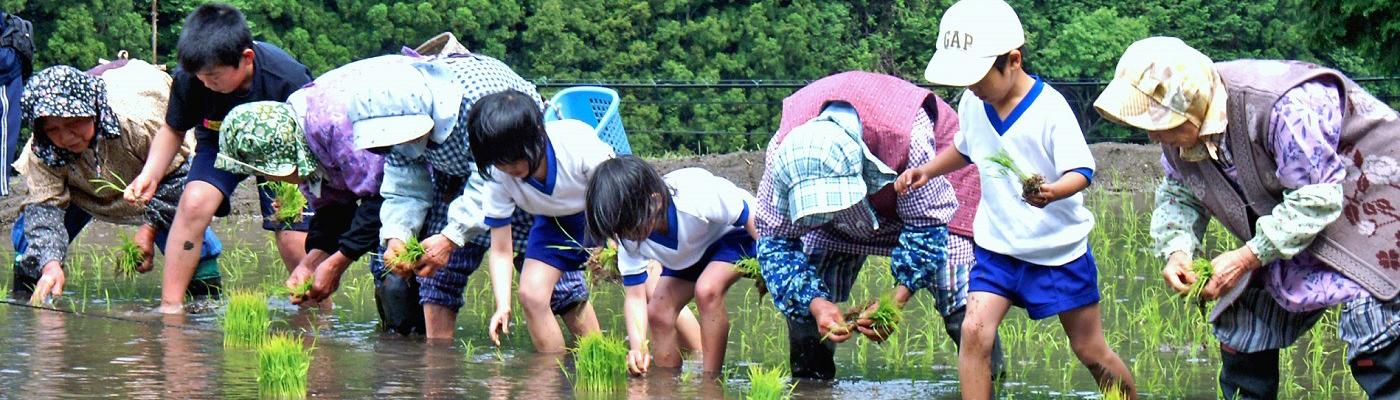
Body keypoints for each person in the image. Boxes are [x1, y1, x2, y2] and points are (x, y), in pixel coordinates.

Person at [1093, 36, 1400, 399]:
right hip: (1295, 218)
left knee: (1375, 325)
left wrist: (1243, 258)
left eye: (1159, 121)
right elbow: (1180, 192)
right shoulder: (1180, 136)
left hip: (1376, 203)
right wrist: (1178, 251)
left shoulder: (1285, 106)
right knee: (1243, 315)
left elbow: (1314, 200)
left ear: (1191, 104)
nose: (1152, 134)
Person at [900, 0, 1136, 397]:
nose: (972, 88)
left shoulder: (1050, 109)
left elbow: (1082, 170)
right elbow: (966, 146)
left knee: (1089, 349)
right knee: (974, 333)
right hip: (998, 247)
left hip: (1057, 250)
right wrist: (929, 169)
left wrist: (1052, 192)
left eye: (978, 77)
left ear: (1012, 60)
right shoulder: (974, 102)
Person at [754, 69, 1001, 380]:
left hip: (932, 185)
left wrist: (895, 302)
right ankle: (811, 384)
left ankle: (992, 382)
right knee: (805, 292)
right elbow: (774, 242)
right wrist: (817, 304)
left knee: (957, 290)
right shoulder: (782, 153)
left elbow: (927, 228)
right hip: (850, 195)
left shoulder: (906, 137)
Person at [346, 56, 594, 341]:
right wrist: (397, 237)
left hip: (521, 168)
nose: (400, 145)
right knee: (437, 276)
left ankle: (594, 350)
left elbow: (490, 178)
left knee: (554, 279)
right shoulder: (390, 116)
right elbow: (405, 185)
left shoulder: (476, 103)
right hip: (454, 178)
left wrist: (452, 237)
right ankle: (436, 370)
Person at [122, 3, 312, 314]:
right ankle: (170, 308)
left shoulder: (287, 78)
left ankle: (318, 315)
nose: (206, 84)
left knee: (292, 238)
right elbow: (173, 129)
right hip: (220, 144)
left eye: (213, 76)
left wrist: (295, 187)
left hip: (284, 154)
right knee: (193, 202)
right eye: (199, 76)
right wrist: (150, 175)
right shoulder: (192, 78)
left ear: (246, 58)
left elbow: (313, 139)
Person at [12, 62, 222, 304]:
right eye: (53, 129)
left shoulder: (138, 125)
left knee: (191, 238)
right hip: (79, 189)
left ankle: (204, 306)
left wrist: (149, 229)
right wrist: (49, 265)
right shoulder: (43, 150)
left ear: (93, 111)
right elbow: (45, 211)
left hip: (154, 181)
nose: (65, 137)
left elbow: (180, 176)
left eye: (73, 123)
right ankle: (28, 298)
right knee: (31, 240)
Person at [466, 89, 619, 353]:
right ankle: (552, 375)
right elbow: (501, 250)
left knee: (652, 289)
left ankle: (696, 361)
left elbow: (616, 192)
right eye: (501, 161)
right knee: (532, 295)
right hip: (554, 225)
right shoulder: (499, 176)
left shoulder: (574, 141)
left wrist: (612, 244)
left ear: (538, 132)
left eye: (516, 157)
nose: (511, 168)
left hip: (607, 211)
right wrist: (503, 304)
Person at [584, 156, 756, 375]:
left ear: (655, 202)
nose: (628, 237)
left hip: (736, 234)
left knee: (707, 290)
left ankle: (710, 383)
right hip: (690, 255)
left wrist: (771, 260)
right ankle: (665, 386)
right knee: (658, 312)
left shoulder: (694, 197)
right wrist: (638, 347)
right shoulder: (629, 237)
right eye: (621, 231)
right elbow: (636, 296)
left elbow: (750, 215)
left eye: (632, 227)